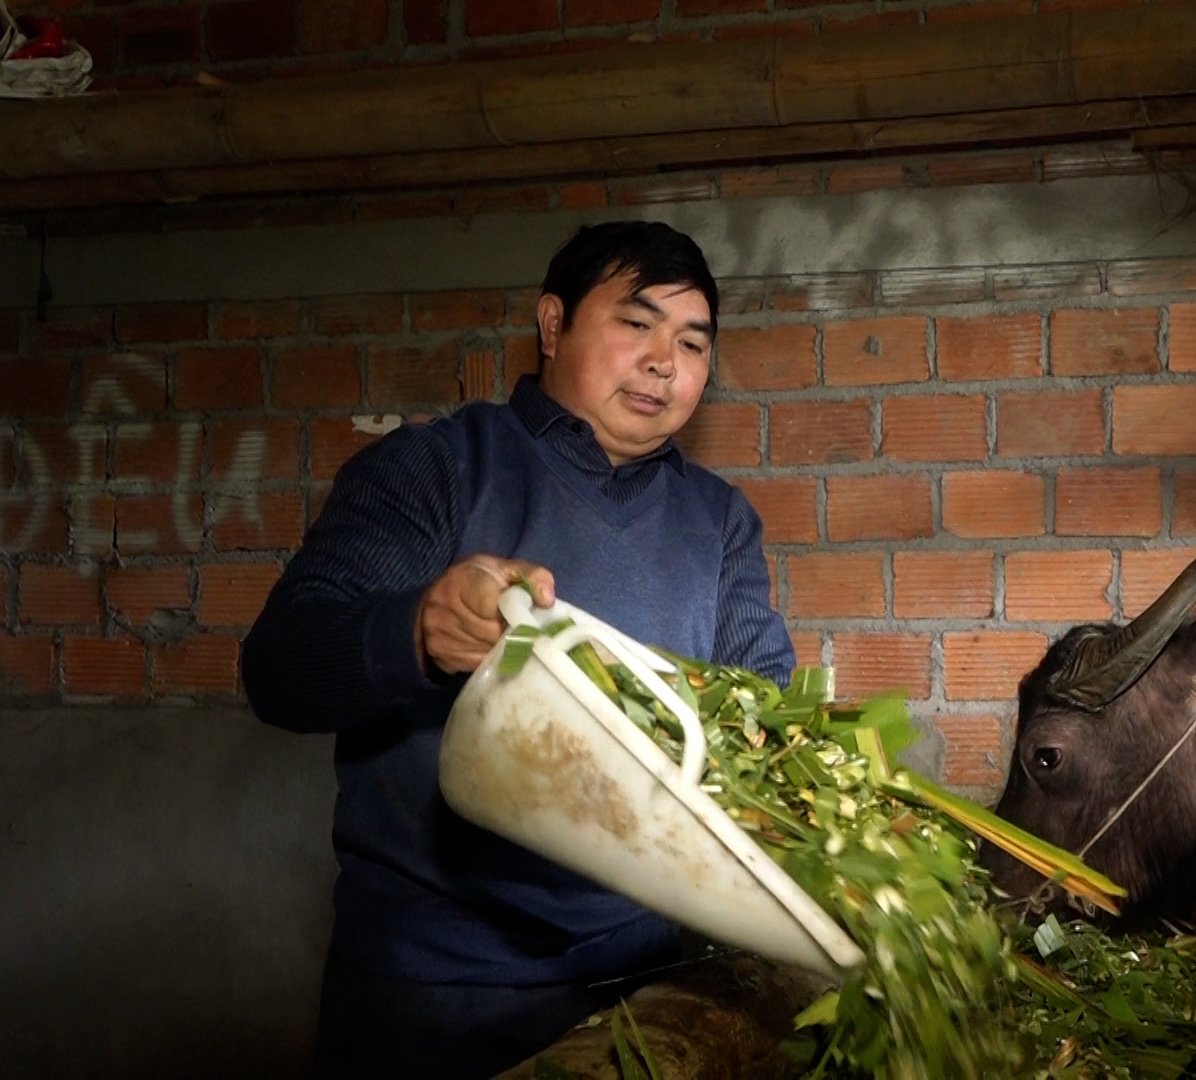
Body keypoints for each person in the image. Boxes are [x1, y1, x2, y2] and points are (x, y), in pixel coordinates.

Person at [241, 221, 794, 1079]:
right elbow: (279, 668)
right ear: (552, 324)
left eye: (692, 342)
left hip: (652, 989)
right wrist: (417, 628)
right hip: (436, 992)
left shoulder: (719, 521)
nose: (664, 362)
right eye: (636, 324)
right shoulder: (437, 468)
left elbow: (764, 711)